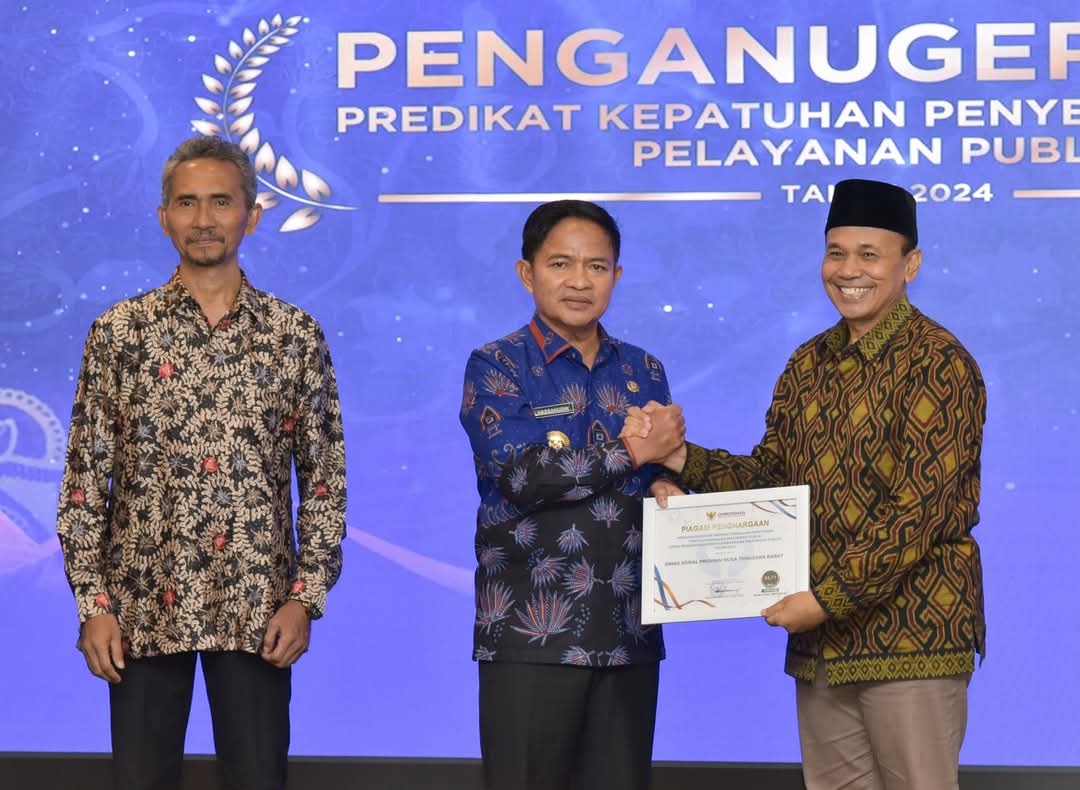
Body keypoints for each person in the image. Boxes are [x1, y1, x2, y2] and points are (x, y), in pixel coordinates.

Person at [637, 179, 986, 790]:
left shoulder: (939, 363)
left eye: (869, 255)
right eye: (836, 253)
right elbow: (772, 477)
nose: (849, 271)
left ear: (910, 264)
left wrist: (825, 600)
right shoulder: (807, 363)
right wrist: (682, 458)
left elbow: (918, 513)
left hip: (911, 639)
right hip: (823, 645)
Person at [56, 135, 347, 790]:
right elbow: (83, 485)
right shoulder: (120, 332)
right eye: (187, 203)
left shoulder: (293, 335)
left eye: (221, 201)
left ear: (252, 215)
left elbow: (325, 483)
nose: (204, 218)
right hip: (139, 609)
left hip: (258, 610)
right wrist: (92, 603)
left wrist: (305, 599)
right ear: (164, 217)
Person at [459, 200, 685, 790]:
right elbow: (524, 477)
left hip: (629, 634)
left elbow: (657, 465)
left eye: (597, 266)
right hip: (531, 637)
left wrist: (665, 481)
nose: (580, 281)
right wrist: (634, 452)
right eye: (561, 264)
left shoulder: (644, 370)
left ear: (616, 274)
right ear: (527, 272)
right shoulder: (496, 366)